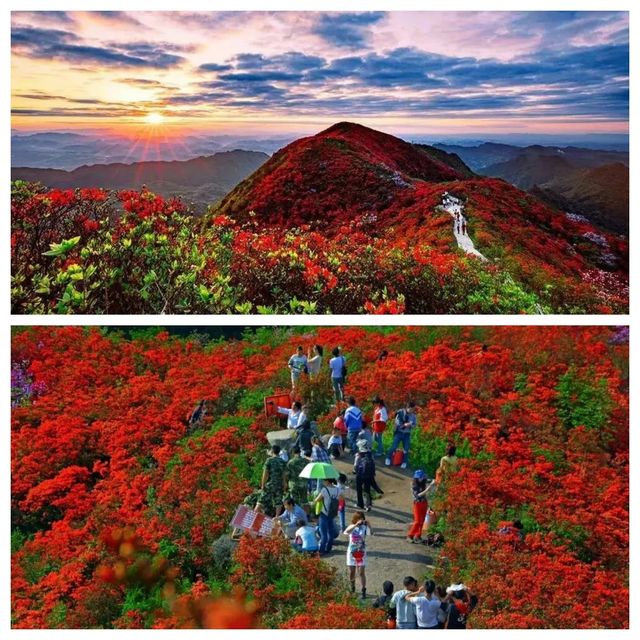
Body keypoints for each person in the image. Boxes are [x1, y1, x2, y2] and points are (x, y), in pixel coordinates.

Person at [344, 511, 372, 599]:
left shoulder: (364, 527)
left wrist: (369, 525)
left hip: (361, 552)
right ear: (355, 519)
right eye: (359, 519)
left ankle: (363, 590)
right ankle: (352, 589)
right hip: (351, 552)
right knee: (352, 572)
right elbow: (346, 532)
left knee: (361, 572)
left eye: (362, 519)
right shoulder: (351, 526)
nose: (361, 521)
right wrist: (356, 525)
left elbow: (371, 533)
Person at [385, 401, 418, 469]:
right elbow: (397, 422)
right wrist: (404, 425)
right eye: (412, 409)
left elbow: (415, 425)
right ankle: (388, 458)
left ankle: (404, 462)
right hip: (399, 432)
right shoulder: (400, 412)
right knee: (394, 446)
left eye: (413, 409)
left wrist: (410, 425)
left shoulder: (414, 416)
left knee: (406, 448)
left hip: (407, 434)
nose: (413, 410)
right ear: (408, 407)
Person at [313, 478, 339, 555]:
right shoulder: (337, 489)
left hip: (324, 513)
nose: (323, 482)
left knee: (323, 533)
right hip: (332, 513)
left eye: (324, 480)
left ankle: (321, 551)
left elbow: (317, 500)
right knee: (330, 532)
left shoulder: (325, 489)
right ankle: (328, 548)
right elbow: (342, 498)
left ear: (327, 481)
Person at [259, 445, 288, 517]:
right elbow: (284, 475)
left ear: (272, 451)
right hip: (279, 485)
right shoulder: (282, 461)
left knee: (261, 501)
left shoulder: (269, 460)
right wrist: (284, 484)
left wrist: (263, 484)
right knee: (278, 502)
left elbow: (265, 474)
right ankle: (276, 517)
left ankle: (252, 517)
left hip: (270, 484)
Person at [353, 440, 376, 512]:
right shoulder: (370, 454)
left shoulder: (358, 455)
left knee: (359, 489)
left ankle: (360, 504)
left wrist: (355, 471)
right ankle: (368, 505)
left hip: (360, 475)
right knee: (367, 490)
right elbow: (374, 463)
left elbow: (355, 465)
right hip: (369, 475)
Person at [407, 469, 429, 543]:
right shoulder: (413, 484)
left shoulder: (423, 481)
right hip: (417, 504)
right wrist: (428, 488)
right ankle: (410, 535)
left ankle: (418, 535)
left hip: (424, 503)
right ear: (416, 478)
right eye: (420, 477)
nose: (421, 478)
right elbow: (417, 496)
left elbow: (430, 480)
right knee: (417, 521)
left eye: (422, 477)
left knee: (422, 521)